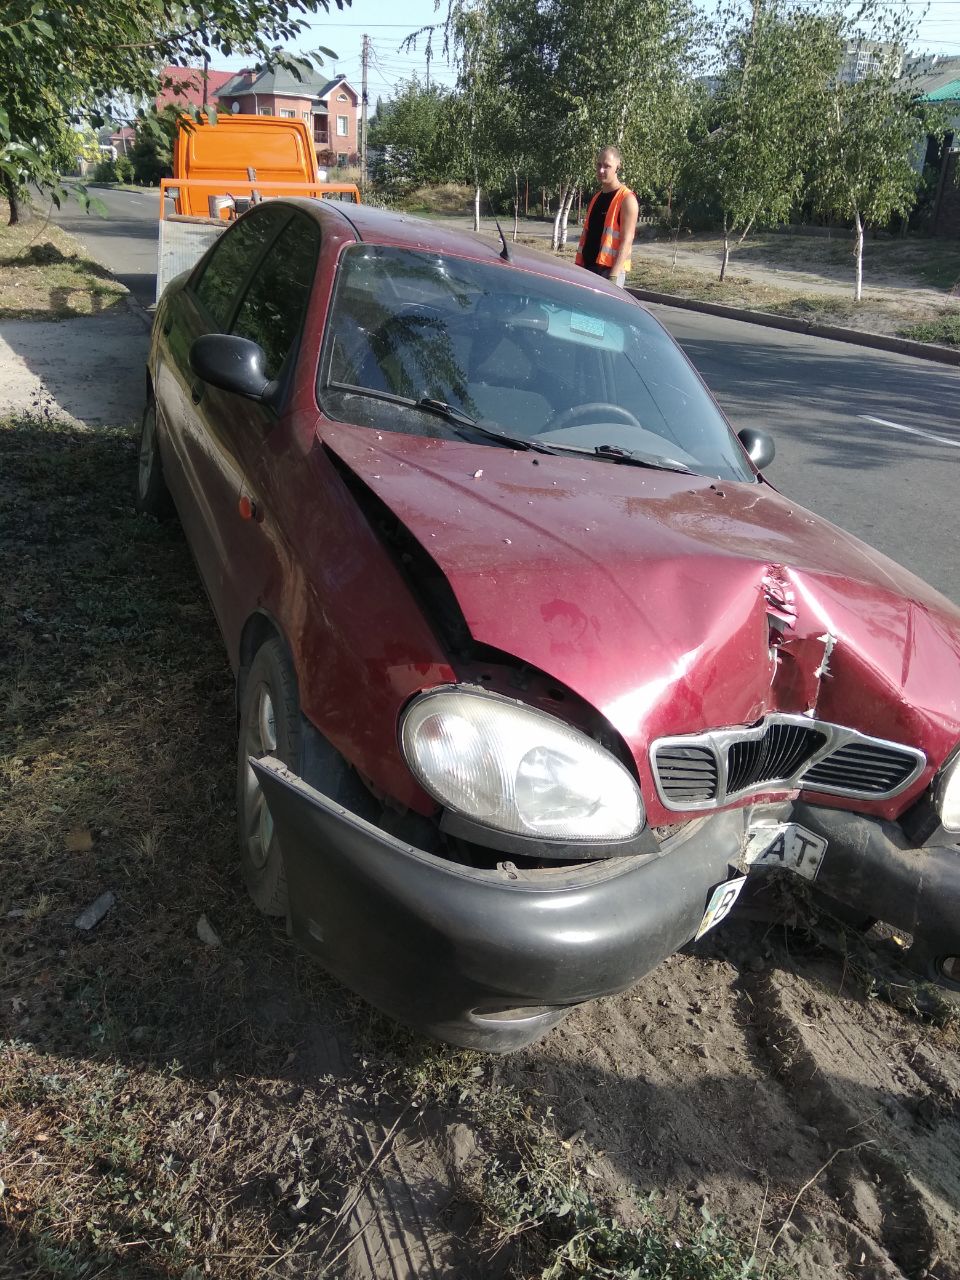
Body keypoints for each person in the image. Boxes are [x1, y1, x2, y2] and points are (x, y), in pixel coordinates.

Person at [574, 146, 639, 287]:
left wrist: (613, 277)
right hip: (588, 268)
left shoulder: (627, 199)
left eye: (607, 166)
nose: (601, 170)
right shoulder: (596, 197)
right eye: (599, 165)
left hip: (608, 272)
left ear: (617, 167)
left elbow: (627, 240)